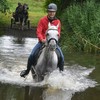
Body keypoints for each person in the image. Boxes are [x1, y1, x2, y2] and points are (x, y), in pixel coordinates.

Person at [20, 3, 64, 78]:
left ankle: (61, 73)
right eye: (50, 11)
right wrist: (42, 39)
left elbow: (58, 33)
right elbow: (39, 32)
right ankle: (27, 71)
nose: (51, 13)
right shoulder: (42, 20)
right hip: (42, 42)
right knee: (32, 55)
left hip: (53, 42)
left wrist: (55, 40)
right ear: (48, 12)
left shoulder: (58, 22)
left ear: (55, 12)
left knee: (62, 57)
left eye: (53, 12)